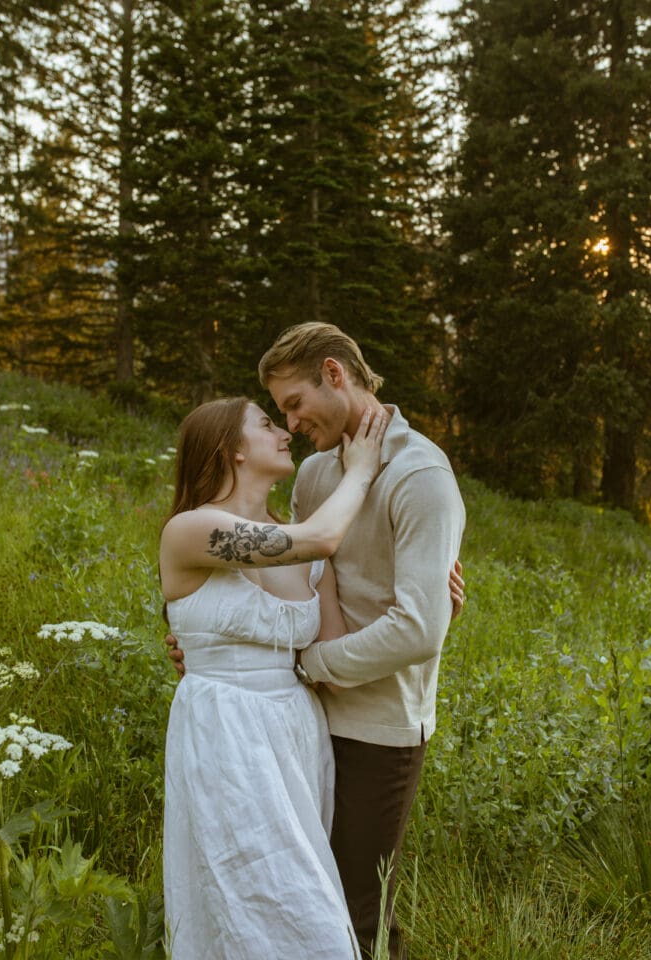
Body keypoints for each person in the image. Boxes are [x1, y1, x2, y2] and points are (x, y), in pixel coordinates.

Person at [167, 323, 466, 959]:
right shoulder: (313, 479)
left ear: (334, 374)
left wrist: (310, 663)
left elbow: (412, 626)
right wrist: (213, 652)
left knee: (351, 908)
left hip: (376, 720)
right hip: (297, 720)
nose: (290, 424)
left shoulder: (421, 476)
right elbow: (296, 570)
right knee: (276, 893)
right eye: (275, 416)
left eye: (293, 405)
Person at [160, 396, 388, 959]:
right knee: (258, 901)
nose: (285, 431)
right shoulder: (193, 531)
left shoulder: (311, 559)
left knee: (296, 892)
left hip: (293, 732)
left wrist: (432, 618)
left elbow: (335, 664)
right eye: (266, 425)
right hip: (224, 732)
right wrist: (359, 470)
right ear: (232, 449)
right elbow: (321, 537)